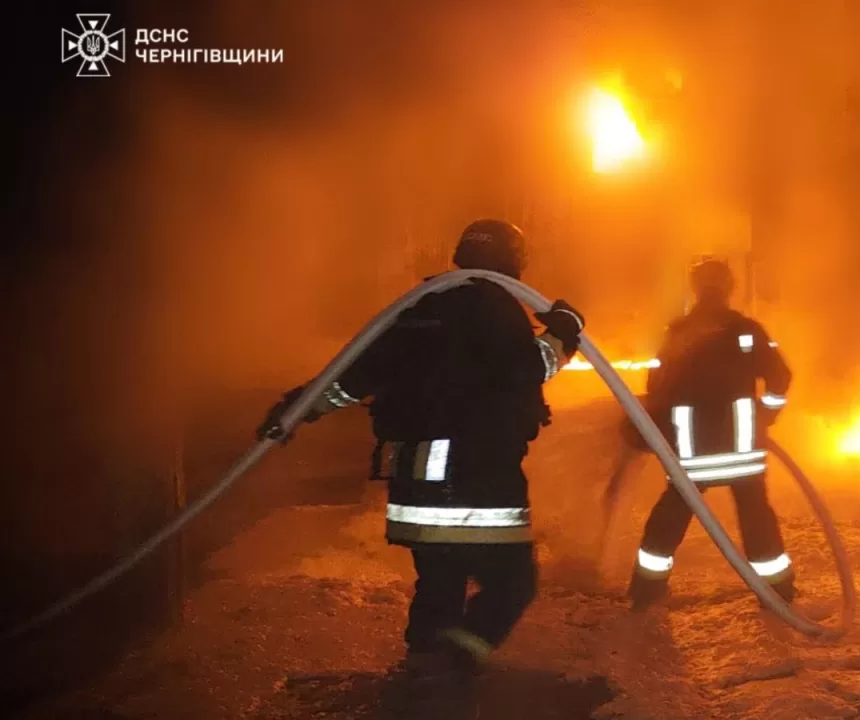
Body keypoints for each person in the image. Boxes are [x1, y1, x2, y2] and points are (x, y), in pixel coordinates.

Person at [256, 219, 585, 688]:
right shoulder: (496, 307)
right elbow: (525, 371)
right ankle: (456, 665)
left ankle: (423, 674)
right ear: (514, 261)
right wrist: (563, 335)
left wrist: (296, 409)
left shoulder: (418, 308)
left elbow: (356, 376)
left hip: (415, 480)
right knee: (513, 584)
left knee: (440, 582)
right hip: (478, 473)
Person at [624, 257, 795, 611]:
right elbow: (780, 376)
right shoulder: (746, 330)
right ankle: (778, 591)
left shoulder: (679, 333)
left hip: (692, 450)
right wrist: (768, 413)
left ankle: (646, 589)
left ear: (695, 288)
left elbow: (656, 388)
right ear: (729, 287)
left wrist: (655, 430)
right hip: (741, 447)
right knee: (756, 516)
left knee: (670, 514)